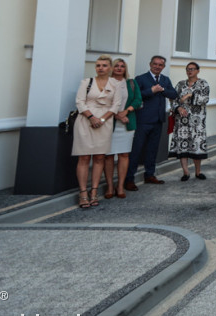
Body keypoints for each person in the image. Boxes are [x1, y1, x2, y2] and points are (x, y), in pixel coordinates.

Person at [73, 54, 125, 208]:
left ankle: (94, 191)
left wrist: (102, 119)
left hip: (105, 122)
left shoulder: (116, 84)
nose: (100, 68)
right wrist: (92, 118)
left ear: (109, 68)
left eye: (103, 65)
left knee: (99, 158)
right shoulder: (87, 82)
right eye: (98, 65)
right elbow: (79, 102)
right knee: (83, 158)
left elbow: (116, 105)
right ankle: (83, 192)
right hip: (85, 121)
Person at [126, 55, 178, 190]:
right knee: (136, 150)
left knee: (152, 150)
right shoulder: (141, 78)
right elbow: (137, 96)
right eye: (155, 64)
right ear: (150, 64)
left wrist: (163, 90)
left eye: (160, 65)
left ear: (163, 67)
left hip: (158, 120)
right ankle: (129, 179)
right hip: (143, 120)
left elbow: (173, 94)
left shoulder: (165, 80)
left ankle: (149, 174)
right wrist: (151, 91)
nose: (157, 66)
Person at [103, 58, 141, 199]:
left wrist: (127, 111)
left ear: (125, 69)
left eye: (122, 66)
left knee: (124, 155)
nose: (119, 68)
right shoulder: (106, 83)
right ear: (112, 68)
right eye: (116, 66)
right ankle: (109, 187)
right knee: (109, 156)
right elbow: (102, 103)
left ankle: (120, 186)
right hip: (109, 123)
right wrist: (117, 116)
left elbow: (138, 99)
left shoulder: (131, 83)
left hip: (127, 123)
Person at [169, 62, 210, 180]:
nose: (189, 71)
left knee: (196, 145)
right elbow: (174, 99)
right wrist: (178, 108)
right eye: (188, 69)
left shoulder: (203, 83)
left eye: (192, 69)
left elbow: (205, 99)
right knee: (183, 145)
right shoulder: (180, 84)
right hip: (181, 121)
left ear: (198, 70)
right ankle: (186, 172)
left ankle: (198, 172)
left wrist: (189, 96)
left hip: (197, 122)